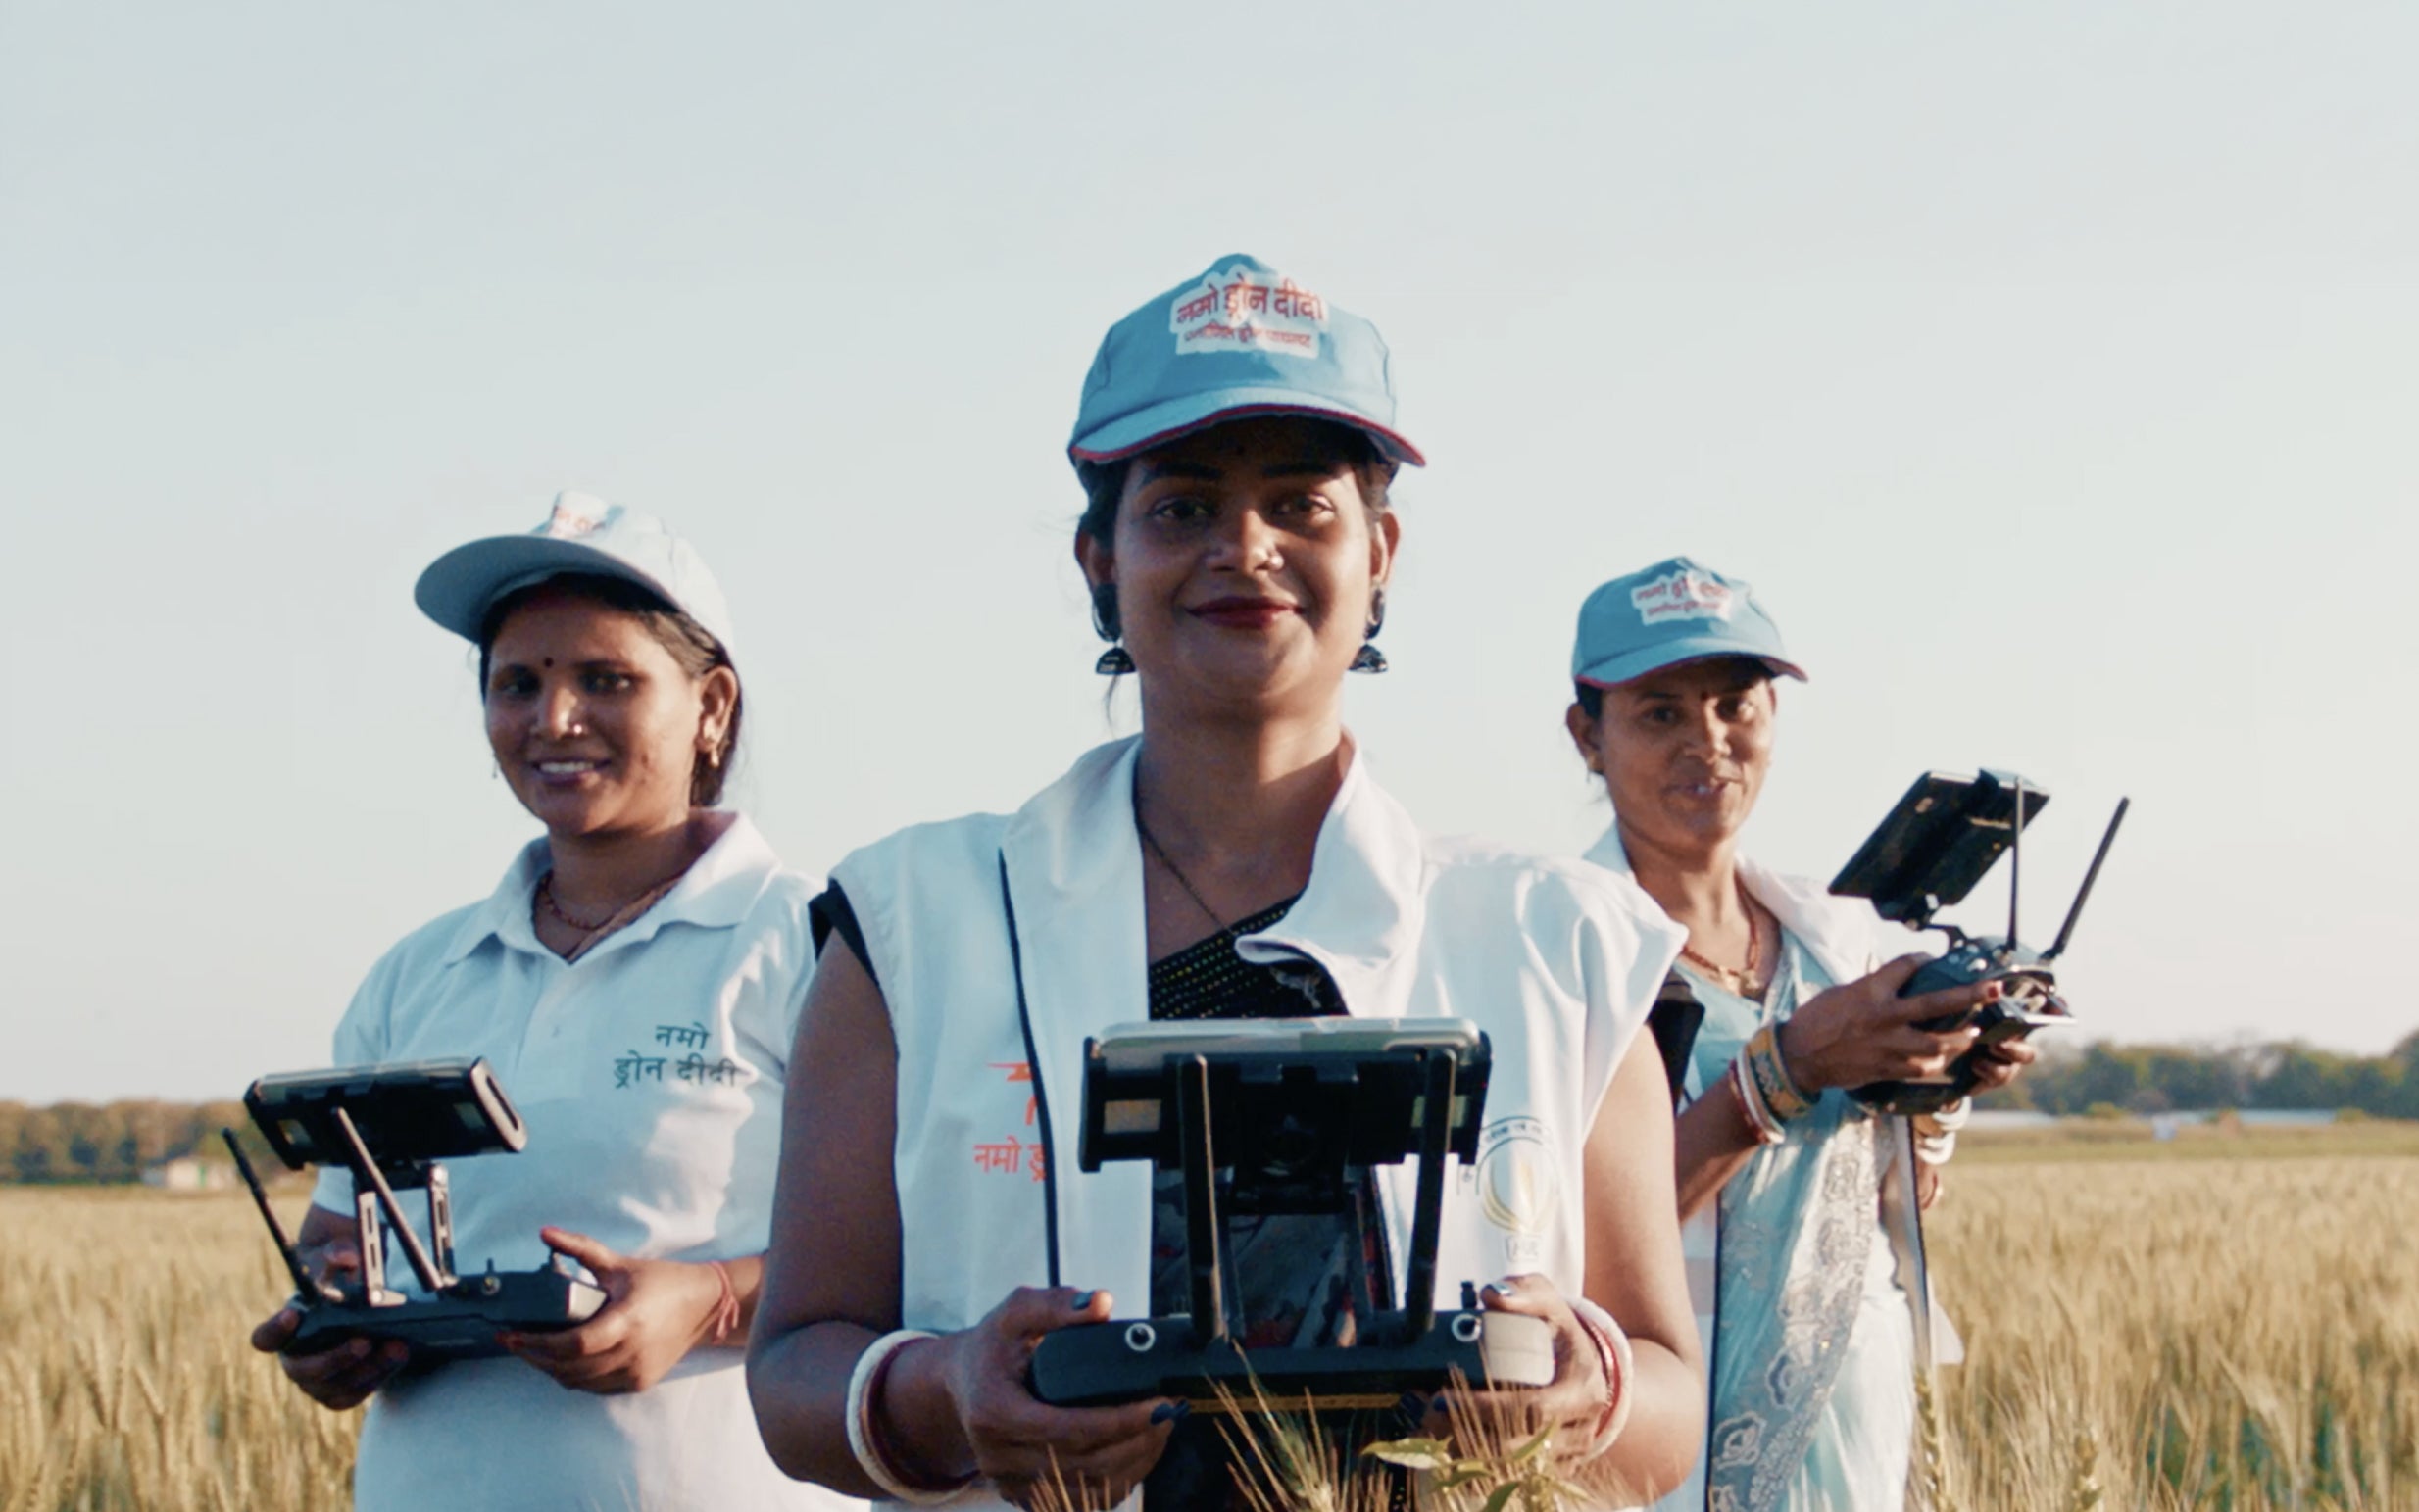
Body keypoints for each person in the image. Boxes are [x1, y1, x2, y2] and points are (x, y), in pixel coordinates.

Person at [748, 255, 1706, 1512]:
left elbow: (1665, 1395)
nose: (1241, 548)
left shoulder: (1559, 941)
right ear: (1099, 558)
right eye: (1180, 506)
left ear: (1381, 552)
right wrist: (943, 1390)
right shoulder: (911, 920)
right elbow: (795, 1365)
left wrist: (1582, 1388)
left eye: (1301, 505)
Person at [247, 493, 858, 1512]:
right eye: (516, 683)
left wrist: (705, 1302)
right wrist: (340, 1310)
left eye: (605, 679)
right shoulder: (420, 972)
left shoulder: (818, 945)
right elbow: (340, 1232)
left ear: (710, 706)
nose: (553, 719)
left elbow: (927, 1244)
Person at [1561, 557, 2036, 1512]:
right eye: (1659, 712)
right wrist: (1779, 1072)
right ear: (1587, 735)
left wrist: (1938, 1085)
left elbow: (1874, 1206)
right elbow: (1565, 1233)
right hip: (1659, 1430)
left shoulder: (1839, 938)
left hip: (1840, 1416)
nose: (1708, 741)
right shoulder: (1554, 946)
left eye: (1736, 705)